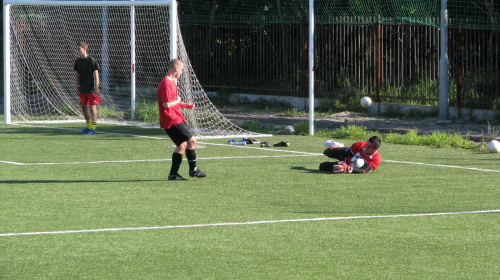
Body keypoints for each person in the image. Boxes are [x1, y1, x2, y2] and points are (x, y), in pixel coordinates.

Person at [157, 59, 207, 181]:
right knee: (192, 140)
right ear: (175, 69)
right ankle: (193, 170)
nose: (181, 72)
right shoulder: (166, 83)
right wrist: (179, 101)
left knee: (182, 145)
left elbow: (173, 102)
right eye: (181, 70)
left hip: (175, 117)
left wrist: (185, 105)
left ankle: (173, 175)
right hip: (171, 119)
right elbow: (166, 105)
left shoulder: (172, 82)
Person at [74, 41, 101, 135]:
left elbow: (96, 74)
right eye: (77, 48)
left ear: (85, 49)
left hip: (91, 88)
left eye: (79, 48)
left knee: (92, 107)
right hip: (82, 88)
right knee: (84, 107)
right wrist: (77, 87)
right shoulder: (78, 61)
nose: (78, 50)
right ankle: (88, 126)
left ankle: (93, 128)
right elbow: (77, 75)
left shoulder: (91, 60)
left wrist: (97, 88)